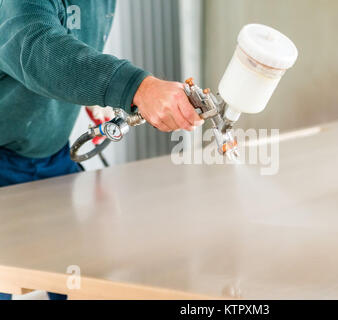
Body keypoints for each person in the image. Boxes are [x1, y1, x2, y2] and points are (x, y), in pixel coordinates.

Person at [0, 0, 202, 300]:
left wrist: (83, 93)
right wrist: (136, 87)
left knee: (80, 279)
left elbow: (71, 37)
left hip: (51, 154)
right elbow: (33, 44)